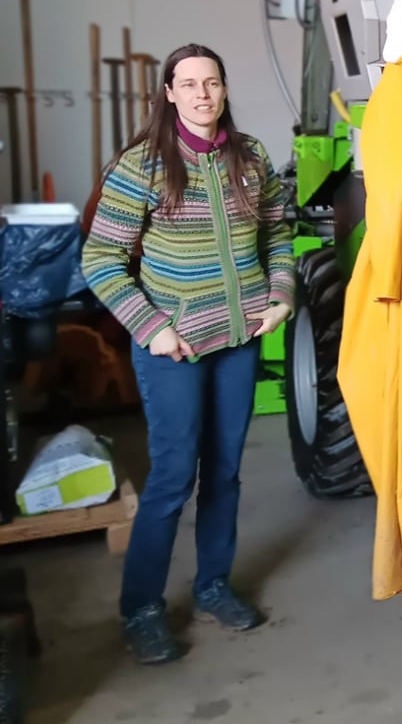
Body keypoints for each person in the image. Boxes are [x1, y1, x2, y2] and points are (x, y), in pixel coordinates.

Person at [82, 43, 294, 665]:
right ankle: (142, 608)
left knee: (224, 474)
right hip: (171, 346)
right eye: (189, 83)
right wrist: (150, 328)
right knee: (174, 478)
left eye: (213, 82)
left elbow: (277, 233)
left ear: (224, 90)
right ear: (169, 93)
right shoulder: (142, 165)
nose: (202, 93)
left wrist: (280, 294)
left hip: (238, 341)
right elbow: (100, 260)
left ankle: (212, 586)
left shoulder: (249, 157)